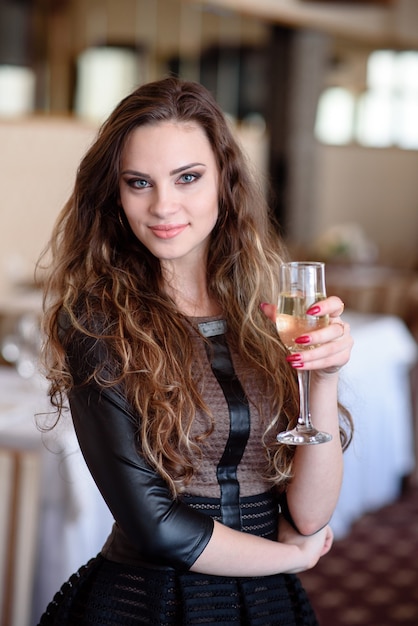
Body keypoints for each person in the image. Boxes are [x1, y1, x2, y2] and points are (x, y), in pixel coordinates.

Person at [37, 76, 353, 626]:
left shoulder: (264, 311)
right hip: (149, 602)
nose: (164, 206)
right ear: (115, 194)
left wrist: (321, 380)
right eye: (139, 182)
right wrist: (289, 558)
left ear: (224, 182)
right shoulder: (97, 321)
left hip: (267, 605)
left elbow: (308, 514)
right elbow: (154, 524)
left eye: (187, 177)